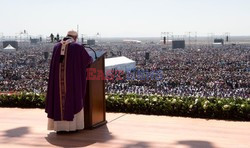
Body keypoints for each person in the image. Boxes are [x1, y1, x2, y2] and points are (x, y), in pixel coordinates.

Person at [45, 30, 93, 132]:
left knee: (59, 100)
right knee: (72, 99)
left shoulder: (56, 46)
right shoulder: (77, 47)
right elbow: (88, 60)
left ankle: (59, 128)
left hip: (58, 83)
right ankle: (72, 127)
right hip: (72, 82)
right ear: (75, 37)